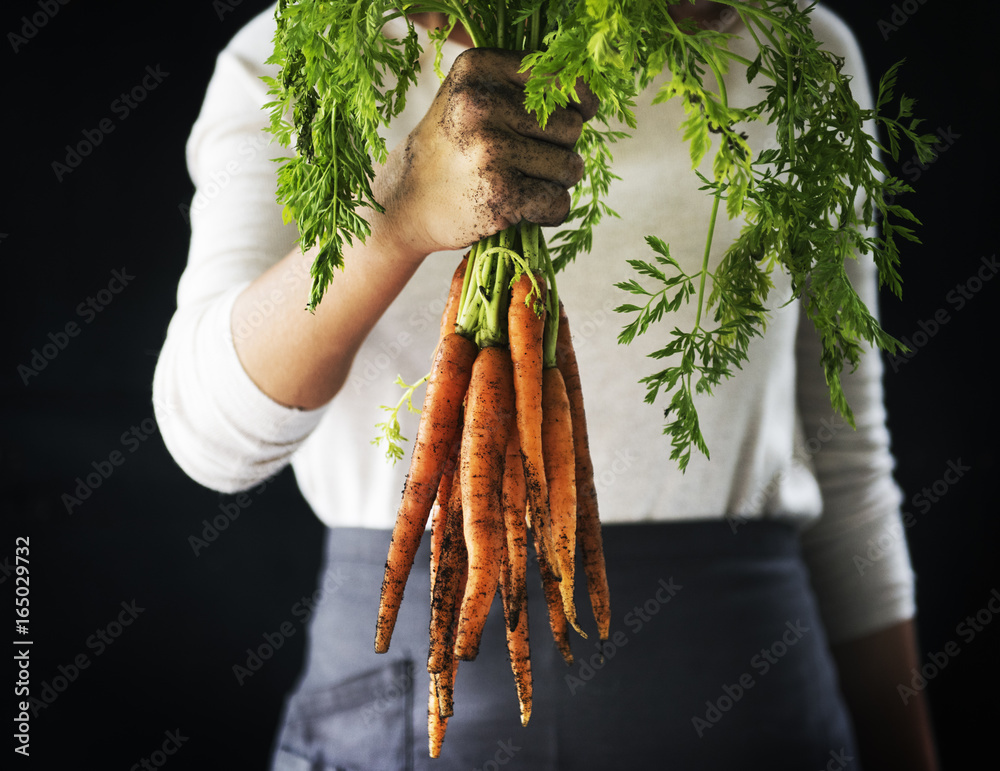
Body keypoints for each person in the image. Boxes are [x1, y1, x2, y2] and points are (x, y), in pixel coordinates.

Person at [153, 2, 939, 768]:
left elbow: (847, 462)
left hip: (750, 690)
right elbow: (209, 437)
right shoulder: (298, 52)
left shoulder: (788, 48)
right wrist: (394, 219)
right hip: (406, 700)